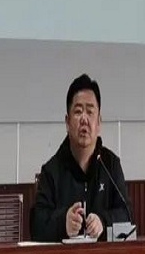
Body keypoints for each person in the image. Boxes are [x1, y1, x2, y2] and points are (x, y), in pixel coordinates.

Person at [30, 74, 132, 242]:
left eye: (90, 112)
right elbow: (37, 226)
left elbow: (127, 215)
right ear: (67, 122)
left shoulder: (110, 165)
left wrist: (103, 222)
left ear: (99, 122)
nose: (84, 119)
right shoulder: (51, 171)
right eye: (78, 111)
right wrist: (63, 223)